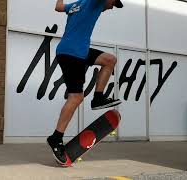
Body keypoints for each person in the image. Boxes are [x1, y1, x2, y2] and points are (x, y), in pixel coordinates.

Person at [47, 0, 124, 167]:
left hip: (79, 51)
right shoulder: (94, 3)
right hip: (72, 53)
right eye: (113, 3)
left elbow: (58, 7)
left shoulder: (77, 4)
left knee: (110, 60)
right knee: (76, 97)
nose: (111, 8)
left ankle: (98, 98)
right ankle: (56, 138)